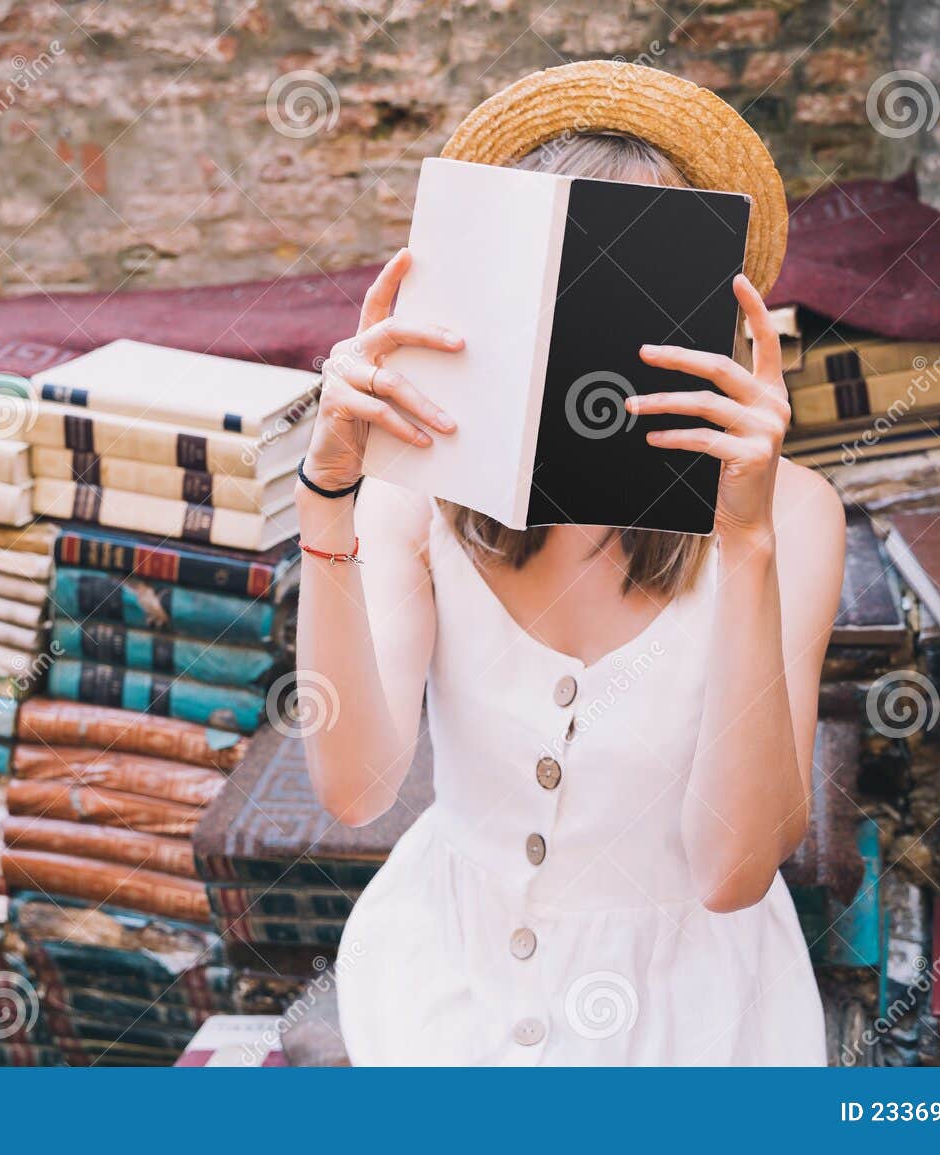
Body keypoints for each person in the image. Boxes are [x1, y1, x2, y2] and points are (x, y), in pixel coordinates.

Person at [292, 61, 845, 1065]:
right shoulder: (418, 491)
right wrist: (327, 497)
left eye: (639, 287)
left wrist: (746, 541)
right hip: (445, 987)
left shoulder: (796, 516)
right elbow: (356, 784)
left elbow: (731, 870)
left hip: (696, 1019)